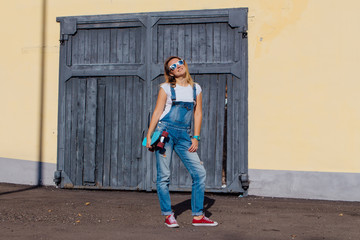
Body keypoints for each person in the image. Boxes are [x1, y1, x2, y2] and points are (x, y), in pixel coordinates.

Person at [146, 56, 218, 228]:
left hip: (185, 136)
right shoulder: (165, 88)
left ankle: (198, 216)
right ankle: (168, 214)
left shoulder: (196, 89)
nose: (177, 67)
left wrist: (196, 137)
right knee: (164, 176)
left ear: (184, 65)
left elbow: (198, 114)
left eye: (179, 63)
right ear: (170, 72)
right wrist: (149, 135)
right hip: (165, 133)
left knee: (199, 173)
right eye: (173, 66)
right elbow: (157, 112)